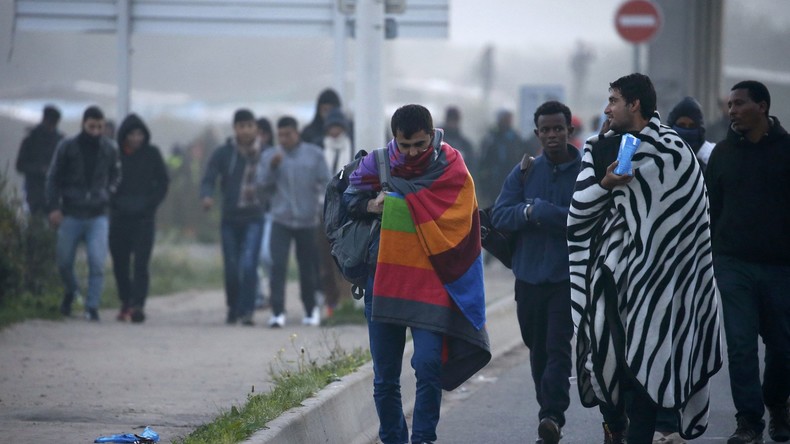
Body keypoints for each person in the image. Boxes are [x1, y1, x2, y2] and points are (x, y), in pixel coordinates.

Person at [567, 73, 722, 443]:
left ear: (634, 104)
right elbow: (576, 217)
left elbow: (692, 223)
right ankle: (613, 423)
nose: (607, 109)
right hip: (609, 283)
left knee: (647, 370)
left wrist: (659, 262)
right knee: (604, 364)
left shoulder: (674, 152)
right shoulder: (600, 148)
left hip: (660, 288)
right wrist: (605, 185)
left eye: (614, 101)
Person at [345, 104, 491, 444]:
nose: (411, 153)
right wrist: (372, 205)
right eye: (405, 145)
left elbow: (463, 218)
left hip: (432, 283)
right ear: (394, 138)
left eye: (419, 145)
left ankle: (423, 437)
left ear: (433, 135)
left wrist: (401, 203)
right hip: (383, 281)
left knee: (428, 366)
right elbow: (348, 199)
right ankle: (393, 438)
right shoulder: (379, 163)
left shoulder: (452, 166)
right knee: (385, 377)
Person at [705, 80, 790, 444]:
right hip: (734, 264)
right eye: (730, 105)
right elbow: (712, 209)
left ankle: (778, 405)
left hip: (781, 266)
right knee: (740, 345)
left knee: (783, 345)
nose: (732, 111)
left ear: (763, 106)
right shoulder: (722, 154)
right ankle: (749, 422)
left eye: (739, 104)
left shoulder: (786, 151)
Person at [491, 101, 580, 444]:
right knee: (537, 349)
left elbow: (583, 219)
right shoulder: (525, 171)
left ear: (570, 130)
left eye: (558, 128)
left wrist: (543, 211)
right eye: (546, 129)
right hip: (527, 277)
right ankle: (548, 412)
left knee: (558, 347)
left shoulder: (585, 172)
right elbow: (500, 215)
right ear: (537, 134)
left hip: (565, 279)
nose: (552, 135)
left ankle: (552, 415)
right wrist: (530, 213)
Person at [46, 105, 121, 321]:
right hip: (71, 212)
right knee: (64, 262)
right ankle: (72, 291)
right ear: (83, 124)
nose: (96, 131)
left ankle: (92, 306)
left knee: (97, 262)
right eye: (92, 126)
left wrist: (108, 193)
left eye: (100, 127)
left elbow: (117, 175)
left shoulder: (110, 148)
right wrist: (54, 207)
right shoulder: (67, 146)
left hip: (98, 214)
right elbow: (53, 177)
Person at [257, 116, 330, 328]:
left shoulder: (314, 154)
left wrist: (320, 206)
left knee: (307, 268)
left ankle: (310, 310)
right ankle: (277, 312)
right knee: (277, 265)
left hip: (308, 221)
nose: (283, 139)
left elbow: (326, 182)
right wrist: (272, 168)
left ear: (297, 133)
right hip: (280, 219)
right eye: (280, 135)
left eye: (287, 135)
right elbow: (261, 186)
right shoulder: (270, 156)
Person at [200, 109, 265, 326]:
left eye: (249, 126)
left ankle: (247, 311)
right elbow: (209, 177)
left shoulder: (266, 153)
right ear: (235, 129)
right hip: (229, 218)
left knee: (248, 264)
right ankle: (233, 307)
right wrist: (207, 196)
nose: (245, 130)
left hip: (255, 217)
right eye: (241, 126)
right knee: (231, 266)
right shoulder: (224, 153)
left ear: (256, 128)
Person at [109, 114, 169, 323]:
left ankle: (138, 305)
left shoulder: (152, 154)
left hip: (144, 219)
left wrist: (150, 204)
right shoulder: (115, 155)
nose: (136, 138)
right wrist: (114, 203)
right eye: (132, 134)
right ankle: (125, 301)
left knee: (141, 264)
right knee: (120, 263)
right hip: (119, 218)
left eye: (139, 134)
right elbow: (106, 181)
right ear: (124, 136)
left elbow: (163, 182)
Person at [320, 107, 354, 315]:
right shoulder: (320, 149)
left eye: (337, 126)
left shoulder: (352, 147)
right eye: (331, 126)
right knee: (326, 257)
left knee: (346, 255)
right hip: (323, 209)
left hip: (346, 209)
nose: (334, 131)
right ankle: (330, 301)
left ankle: (346, 299)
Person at [16, 105, 64, 216]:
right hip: (34, 190)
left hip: (54, 192)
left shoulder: (60, 141)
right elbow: (20, 165)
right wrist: (40, 169)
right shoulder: (31, 139)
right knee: (35, 219)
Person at [477, 109, 527, 208]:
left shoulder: (516, 138)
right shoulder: (490, 138)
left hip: (512, 181)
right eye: (505, 119)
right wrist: (484, 186)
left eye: (509, 119)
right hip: (494, 184)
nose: (508, 121)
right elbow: (483, 163)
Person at [255, 117, 275, 311]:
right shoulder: (244, 154)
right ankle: (258, 295)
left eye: (262, 133)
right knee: (251, 256)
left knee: (267, 255)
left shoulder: (274, 156)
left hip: (270, 211)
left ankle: (273, 290)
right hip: (249, 212)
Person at [667, 96, 716, 171]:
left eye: (692, 126)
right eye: (681, 125)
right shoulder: (661, 155)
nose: (687, 131)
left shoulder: (711, 157)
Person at [441, 106, 477, 175]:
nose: (452, 123)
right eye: (450, 120)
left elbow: (471, 167)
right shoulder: (437, 142)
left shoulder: (466, 145)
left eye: (455, 120)